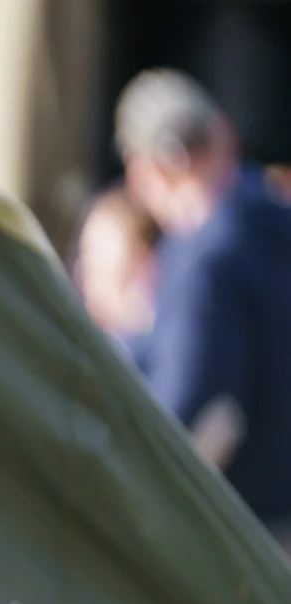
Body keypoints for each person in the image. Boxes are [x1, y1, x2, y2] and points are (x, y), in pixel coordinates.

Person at [115, 68, 291, 537]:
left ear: (142, 173)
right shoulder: (274, 221)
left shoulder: (206, 259)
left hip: (249, 541)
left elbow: (189, 411)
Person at [72, 185, 159, 368]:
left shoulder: (159, 346)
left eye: (98, 254)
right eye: (85, 253)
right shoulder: (89, 343)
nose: (83, 270)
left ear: (142, 259)